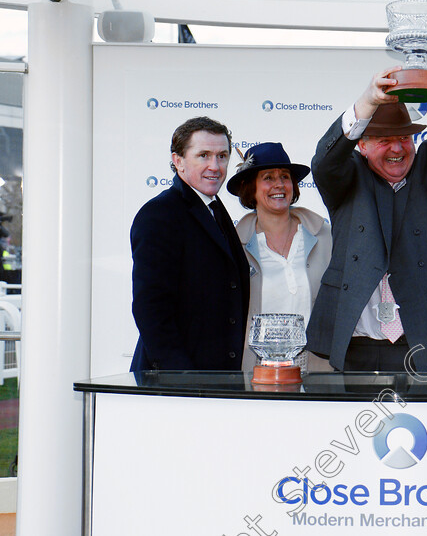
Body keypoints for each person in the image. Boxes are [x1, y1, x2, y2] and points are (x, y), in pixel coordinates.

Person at [307, 66, 427, 374]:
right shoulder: (346, 177)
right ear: (362, 145)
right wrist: (367, 102)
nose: (397, 148)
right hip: (360, 347)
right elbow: (325, 161)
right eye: (384, 140)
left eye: (404, 138)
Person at [130, 116, 250, 371]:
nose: (215, 166)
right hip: (178, 386)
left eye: (222, 156)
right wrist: (182, 378)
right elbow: (150, 309)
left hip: (215, 379)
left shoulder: (215, 209)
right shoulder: (159, 214)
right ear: (179, 161)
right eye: (203, 155)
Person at [226, 142, 333, 373]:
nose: (279, 185)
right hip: (257, 369)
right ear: (250, 188)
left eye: (285, 177)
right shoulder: (234, 246)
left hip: (318, 365)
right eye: (268, 178)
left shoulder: (325, 236)